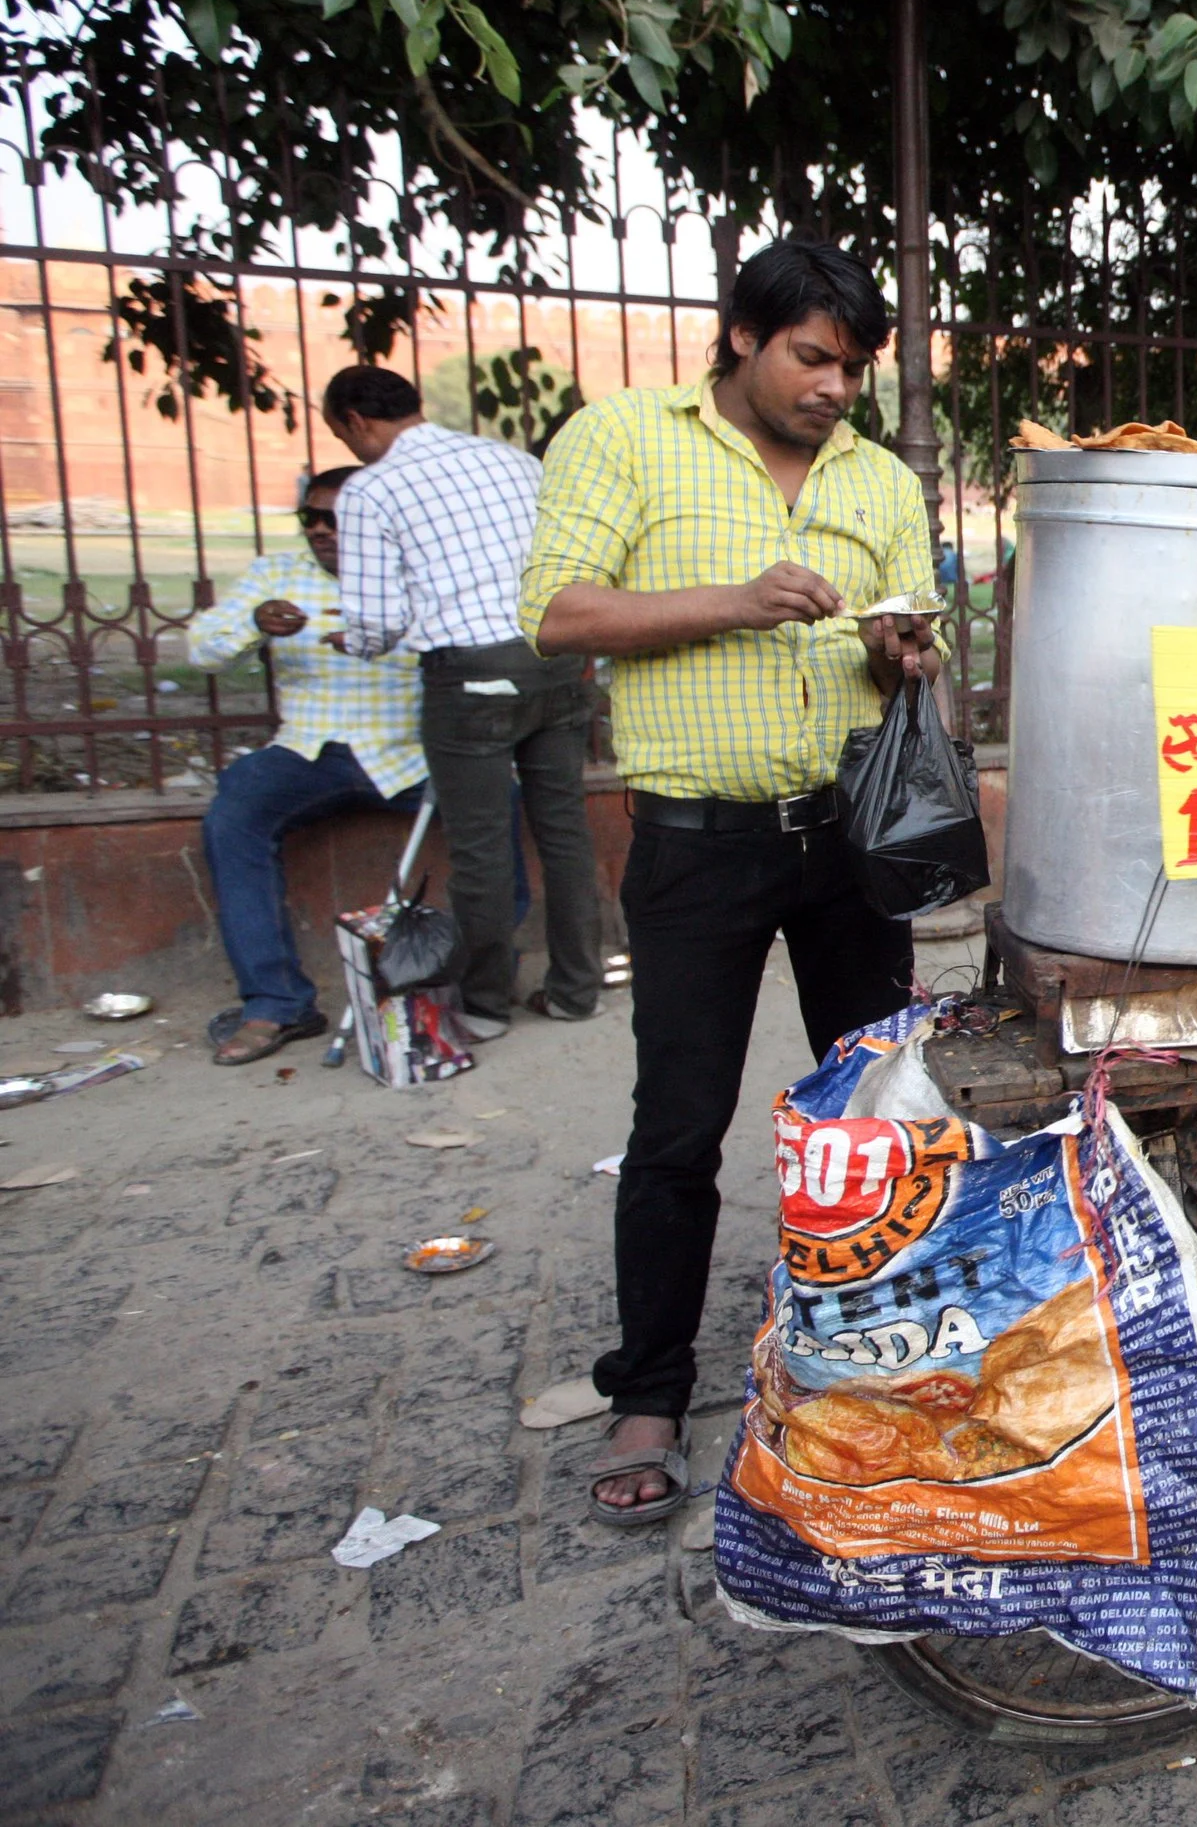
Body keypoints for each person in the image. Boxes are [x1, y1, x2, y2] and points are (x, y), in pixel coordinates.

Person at [520, 240, 941, 1524]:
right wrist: (738, 601)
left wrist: (894, 647)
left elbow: (898, 655)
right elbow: (559, 612)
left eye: (853, 369)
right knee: (677, 1129)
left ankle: (885, 1364)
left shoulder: (879, 479)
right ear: (743, 338)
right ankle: (648, 1388)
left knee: (880, 1111)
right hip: (696, 842)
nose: (833, 389)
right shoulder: (626, 438)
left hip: (847, 837)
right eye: (812, 357)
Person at [326, 364, 604, 1037]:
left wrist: (351, 641)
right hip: (557, 659)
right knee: (564, 832)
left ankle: (484, 1003)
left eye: (343, 434)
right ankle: (575, 988)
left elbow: (377, 621)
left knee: (481, 846)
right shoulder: (511, 462)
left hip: (470, 678)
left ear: (357, 422)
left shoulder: (369, 489)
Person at [193, 467, 425, 1065]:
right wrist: (252, 622)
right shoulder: (278, 576)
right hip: (310, 751)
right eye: (310, 519)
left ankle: (470, 990)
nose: (320, 531)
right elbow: (201, 648)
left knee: (497, 803)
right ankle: (277, 1002)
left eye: (335, 519)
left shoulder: (417, 571)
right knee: (235, 811)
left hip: (409, 752)